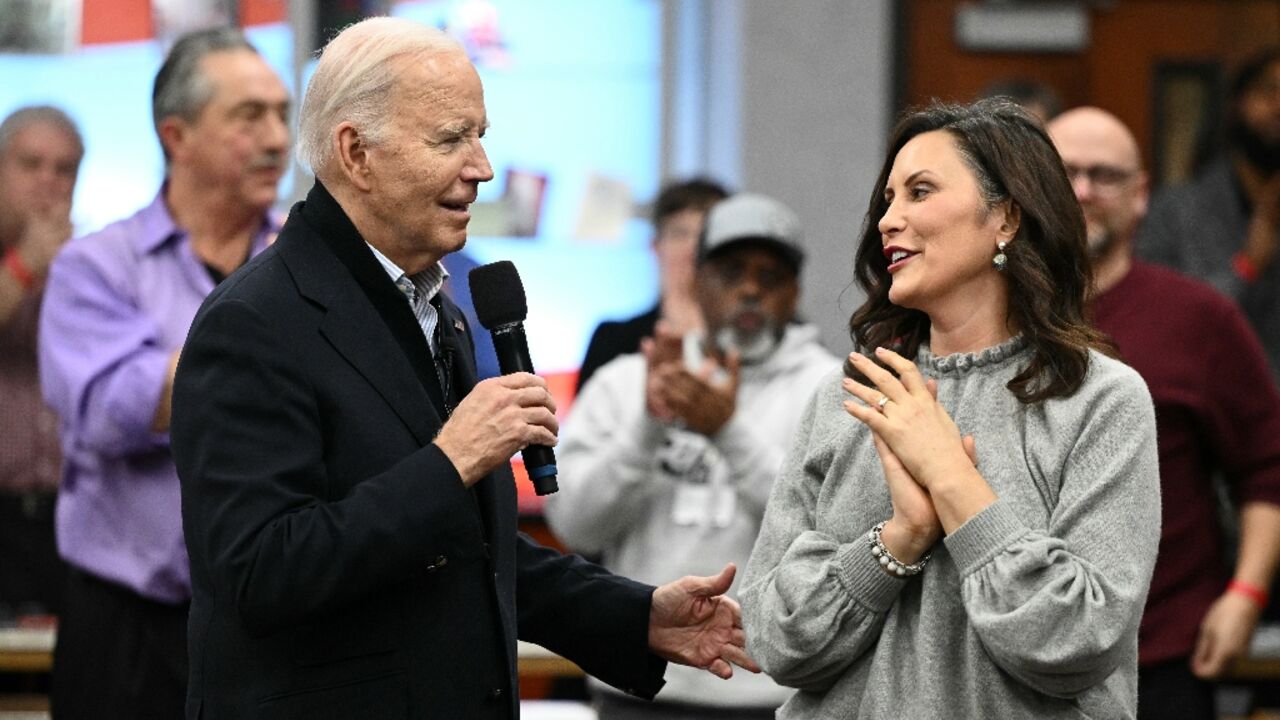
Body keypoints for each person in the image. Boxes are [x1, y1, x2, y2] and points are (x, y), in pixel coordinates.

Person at [169, 17, 757, 719]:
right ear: (356, 154)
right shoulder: (254, 322)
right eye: (450, 138)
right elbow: (260, 573)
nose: (481, 167)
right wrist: (449, 463)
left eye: (480, 135)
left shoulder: (440, 309)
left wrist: (636, 618)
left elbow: (464, 552)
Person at [739, 98, 1161, 719]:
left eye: (920, 192)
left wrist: (952, 479)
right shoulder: (848, 396)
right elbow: (774, 638)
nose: (889, 220)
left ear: (1007, 219)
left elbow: (1079, 639)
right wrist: (898, 539)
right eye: (888, 199)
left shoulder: (1101, 401)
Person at [37, 28, 289, 718]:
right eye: (249, 116)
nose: (277, 138)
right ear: (175, 137)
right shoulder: (98, 265)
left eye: (282, 113)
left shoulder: (302, 259)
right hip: (129, 628)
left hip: (276, 619)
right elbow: (112, 411)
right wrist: (267, 338)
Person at [547, 193, 837, 718]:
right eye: (730, 272)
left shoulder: (829, 389)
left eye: (769, 276)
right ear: (696, 280)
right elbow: (575, 527)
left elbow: (832, 541)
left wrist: (726, 432)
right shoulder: (628, 383)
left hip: (773, 694)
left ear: (794, 291)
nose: (750, 289)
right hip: (637, 688)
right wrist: (647, 426)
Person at [1049, 106, 1280, 720]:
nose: (1083, 191)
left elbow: (1267, 469)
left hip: (1162, 659)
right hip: (1012, 657)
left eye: (1104, 174)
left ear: (1141, 194)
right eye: (1063, 171)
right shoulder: (986, 318)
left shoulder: (1200, 320)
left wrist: (1246, 596)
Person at [1138, 47, 1280, 382]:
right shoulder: (1175, 210)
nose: (1279, 107)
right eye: (1269, 91)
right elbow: (1163, 320)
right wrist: (1248, 265)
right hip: (1208, 403)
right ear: (1237, 104)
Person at [0, 106, 82, 620]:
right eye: (31, 165)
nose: (48, 181)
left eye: (65, 168)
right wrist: (25, 262)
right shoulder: (30, 256)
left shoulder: (91, 262)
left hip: (67, 515)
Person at [576, 178, 728, 392]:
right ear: (656, 247)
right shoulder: (613, 339)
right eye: (680, 234)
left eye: (705, 236)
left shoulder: (747, 338)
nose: (693, 249)